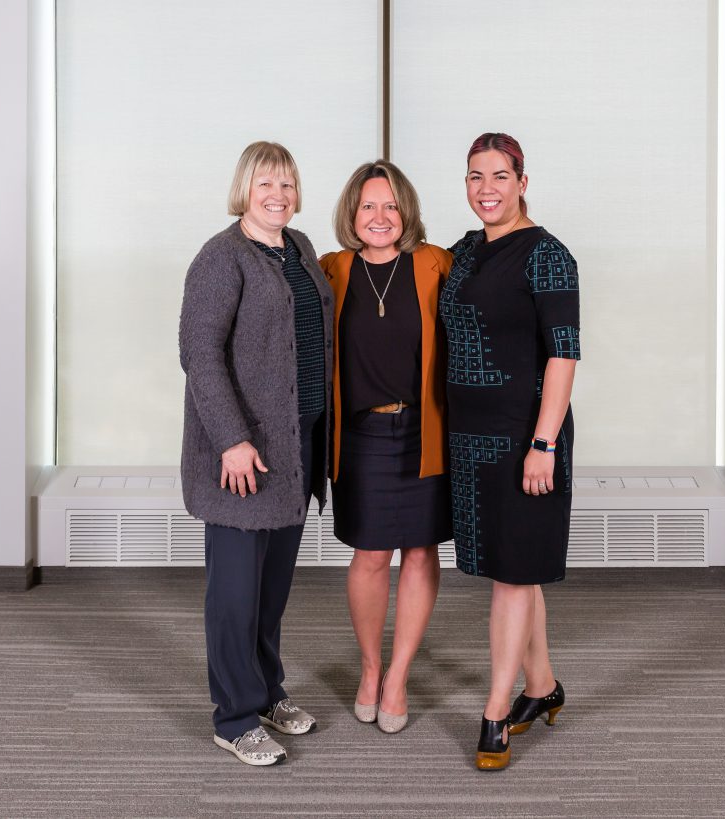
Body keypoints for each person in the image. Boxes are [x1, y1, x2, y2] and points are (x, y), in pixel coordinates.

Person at [178, 141, 334, 766]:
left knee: (270, 593)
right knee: (236, 596)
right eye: (267, 184)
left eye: (289, 185)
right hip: (242, 458)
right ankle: (235, 716)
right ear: (244, 189)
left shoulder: (299, 249)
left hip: (294, 452)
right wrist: (232, 440)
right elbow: (200, 354)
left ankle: (267, 692)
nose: (279, 196)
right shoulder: (221, 258)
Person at [440, 133, 580, 770]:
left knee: (514, 575)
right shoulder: (464, 251)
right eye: (474, 176)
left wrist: (543, 443)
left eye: (499, 176)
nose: (486, 189)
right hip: (469, 437)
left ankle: (496, 710)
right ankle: (542, 687)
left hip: (527, 436)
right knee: (513, 568)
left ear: (523, 182)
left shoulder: (548, 255)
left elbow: (562, 353)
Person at [320, 160, 452, 733]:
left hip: (425, 432)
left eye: (391, 205)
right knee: (371, 556)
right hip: (362, 435)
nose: (380, 216)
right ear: (352, 212)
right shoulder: (330, 270)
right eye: (369, 205)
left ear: (407, 212)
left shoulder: (434, 262)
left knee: (421, 552)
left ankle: (399, 675)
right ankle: (370, 670)